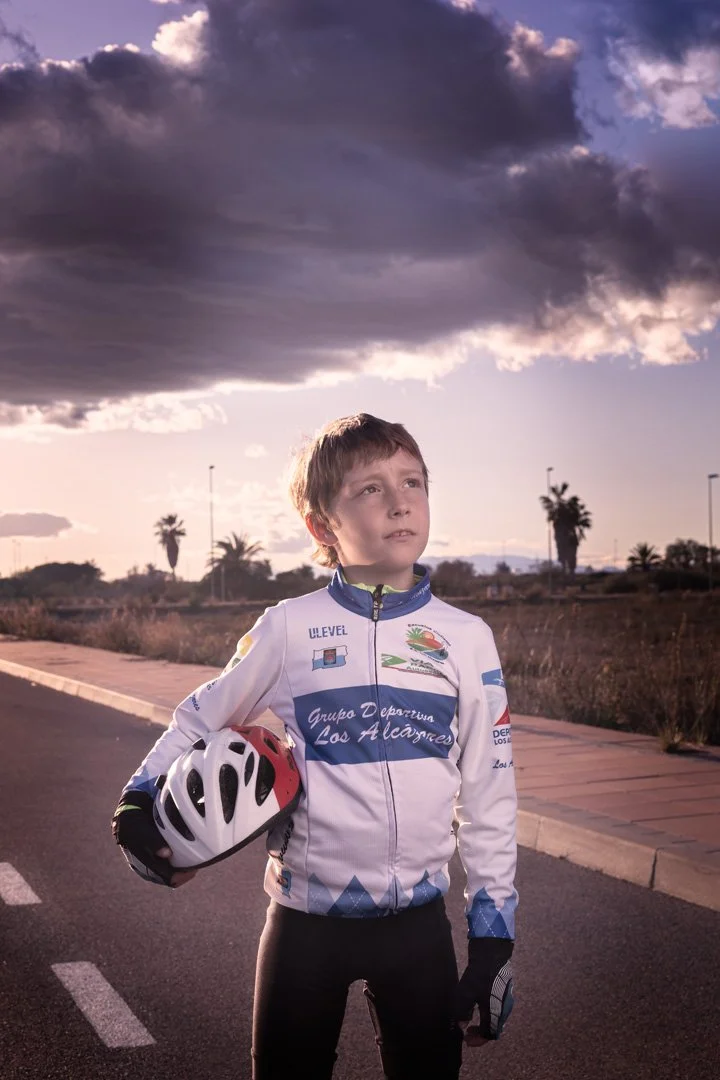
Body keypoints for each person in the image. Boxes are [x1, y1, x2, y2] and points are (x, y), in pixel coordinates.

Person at [112, 413, 518, 1080]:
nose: (399, 501)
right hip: (306, 927)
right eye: (370, 489)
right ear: (322, 527)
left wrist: (493, 933)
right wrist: (137, 797)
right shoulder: (289, 628)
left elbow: (490, 794)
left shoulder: (466, 638)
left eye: (412, 481)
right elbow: (198, 720)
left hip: (418, 930)